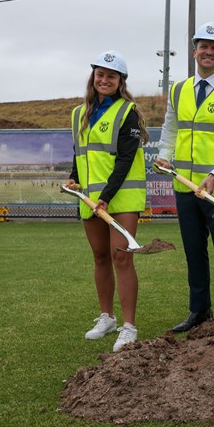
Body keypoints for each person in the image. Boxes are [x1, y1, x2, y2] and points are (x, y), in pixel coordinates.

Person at [155, 22, 214, 332]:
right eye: (203, 46)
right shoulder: (178, 90)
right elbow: (170, 130)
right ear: (194, 51)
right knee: (195, 254)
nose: (208, 52)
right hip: (184, 188)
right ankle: (199, 312)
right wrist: (164, 155)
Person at [64, 50, 148, 352]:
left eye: (111, 76)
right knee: (100, 257)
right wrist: (74, 178)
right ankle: (107, 317)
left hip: (121, 198)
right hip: (91, 199)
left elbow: (125, 160)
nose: (104, 79)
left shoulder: (129, 111)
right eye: (100, 74)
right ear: (93, 77)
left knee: (121, 258)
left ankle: (128, 325)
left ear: (120, 81)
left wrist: (106, 198)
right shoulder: (78, 113)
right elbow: (80, 154)